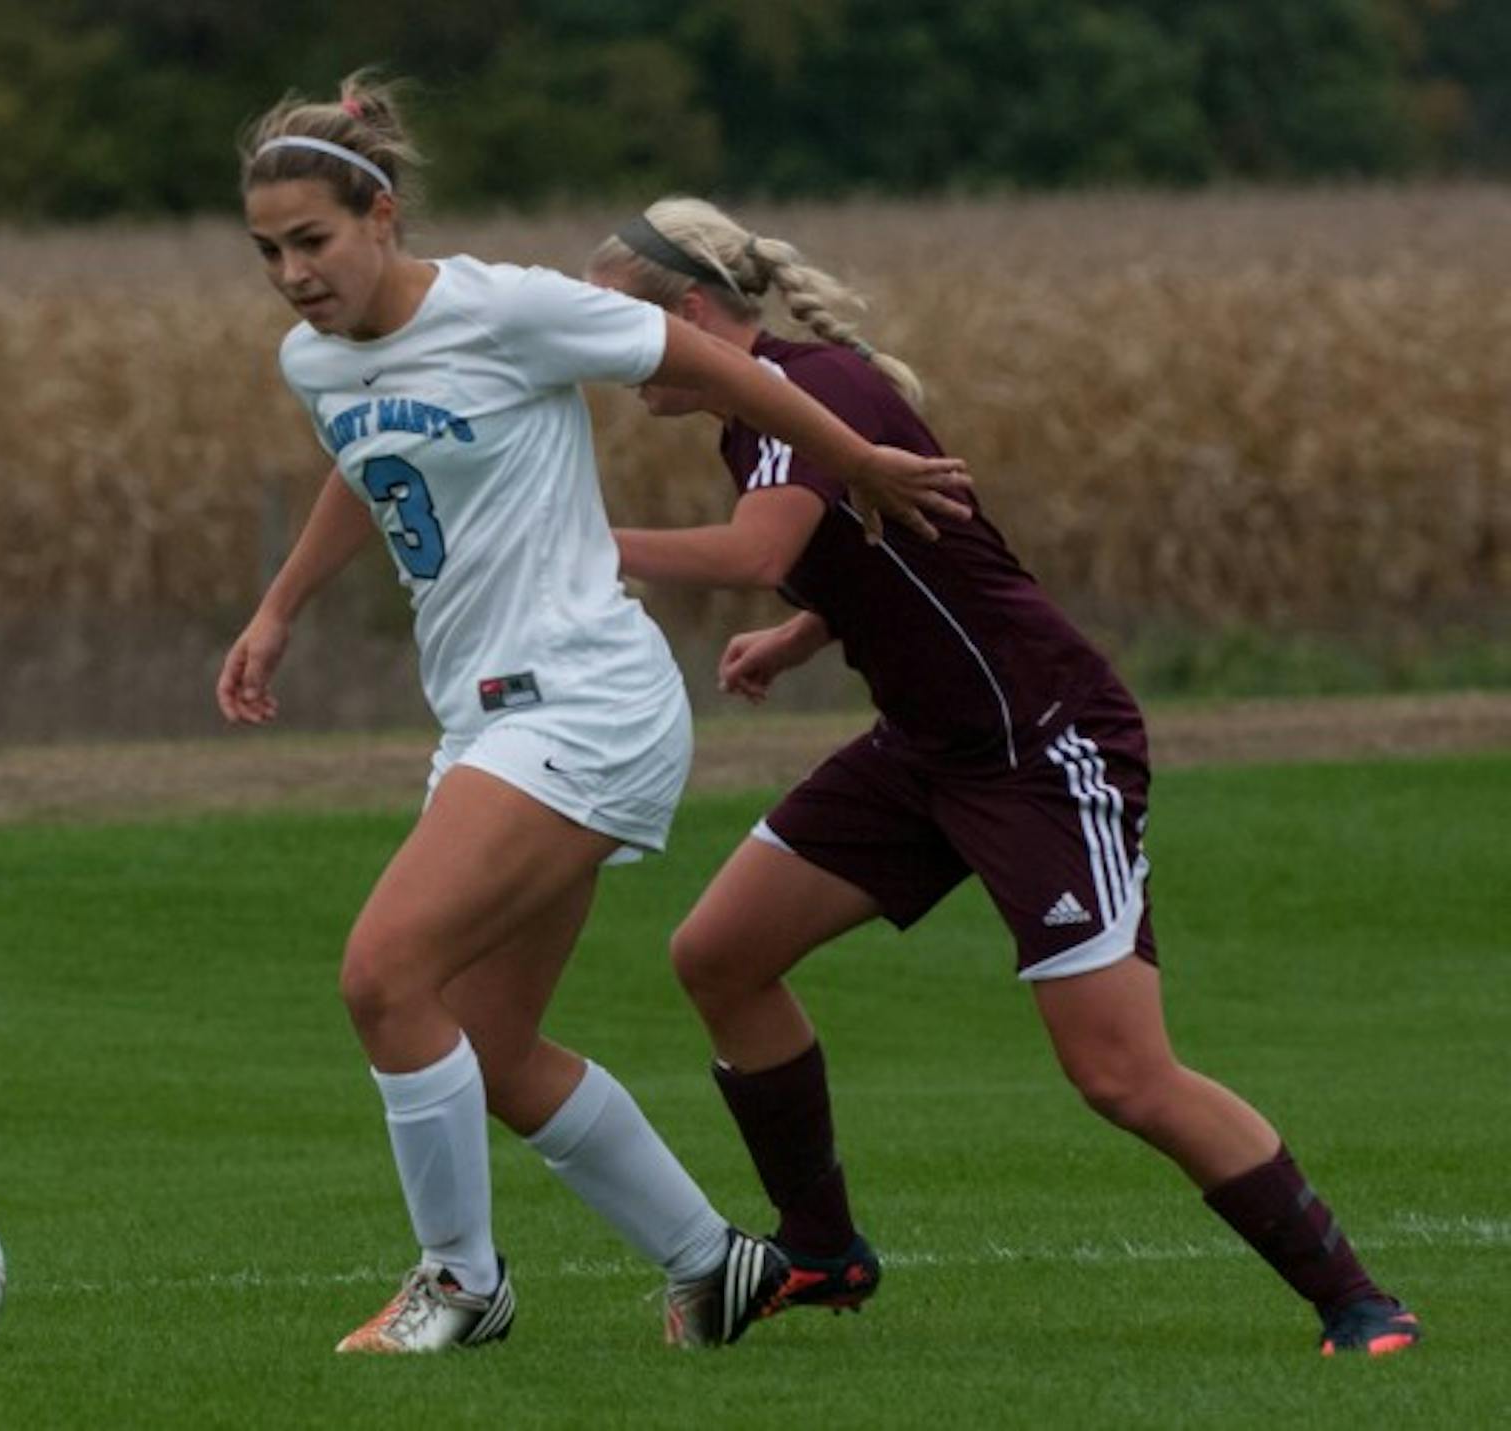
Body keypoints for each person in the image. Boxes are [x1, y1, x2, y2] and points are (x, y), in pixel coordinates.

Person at [584, 196, 1422, 1358]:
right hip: (926, 748)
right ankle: (823, 1252)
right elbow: (894, 549)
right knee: (718, 956)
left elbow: (755, 551)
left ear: (683, 315)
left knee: (1120, 1074)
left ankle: (1358, 1301)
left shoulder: (803, 393)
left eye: (612, 326)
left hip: (1040, 745)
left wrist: (566, 534)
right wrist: (803, 633)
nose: (604, 359)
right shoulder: (762, 410)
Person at [217, 77, 972, 1355]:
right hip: (487, 719)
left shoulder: (507, 307)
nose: (292, 274)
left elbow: (711, 363)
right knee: (494, 1048)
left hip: (581, 700)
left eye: (313, 241)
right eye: (268, 252)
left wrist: (850, 459)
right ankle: (712, 1265)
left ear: (381, 218)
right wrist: (279, 605)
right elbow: (368, 462)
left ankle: (458, 1284)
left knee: (381, 975)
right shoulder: (314, 358)